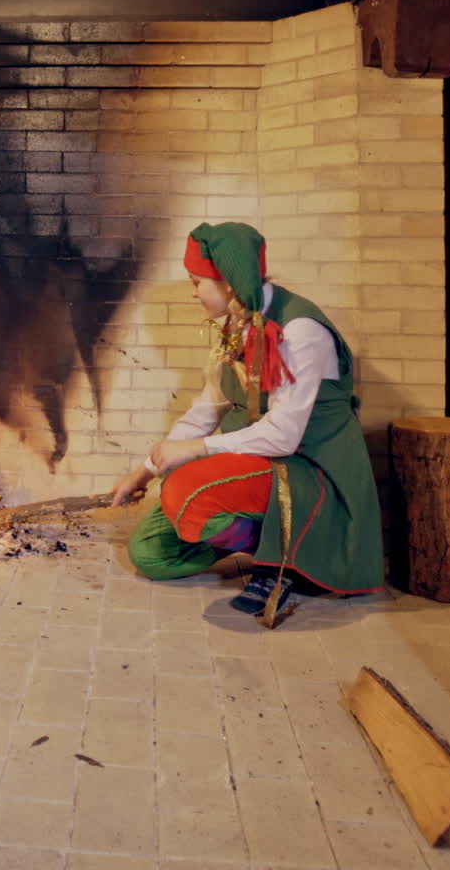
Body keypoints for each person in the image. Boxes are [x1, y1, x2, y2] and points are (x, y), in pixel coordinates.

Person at [111, 221, 382, 623]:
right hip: (257, 460)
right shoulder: (237, 326)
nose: (193, 292)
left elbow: (283, 437)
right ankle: (254, 538)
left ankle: (283, 561)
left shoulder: (299, 330)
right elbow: (206, 410)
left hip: (306, 467)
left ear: (229, 284)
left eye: (197, 282)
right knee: (151, 553)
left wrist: (195, 451)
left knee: (185, 488)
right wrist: (143, 473)